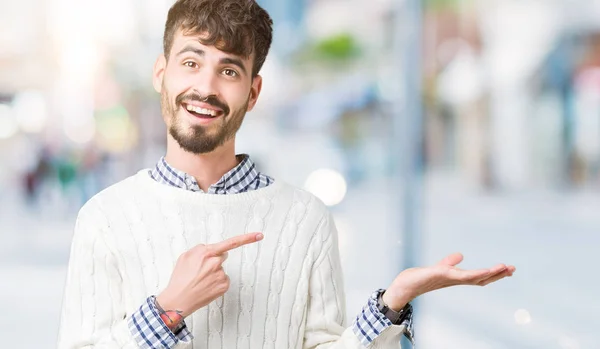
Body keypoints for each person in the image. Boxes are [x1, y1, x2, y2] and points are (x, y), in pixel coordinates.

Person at [57, 0, 516, 348]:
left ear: (253, 92)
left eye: (229, 71)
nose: (206, 87)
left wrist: (390, 303)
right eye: (191, 62)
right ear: (162, 73)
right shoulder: (105, 217)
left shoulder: (305, 218)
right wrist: (166, 312)